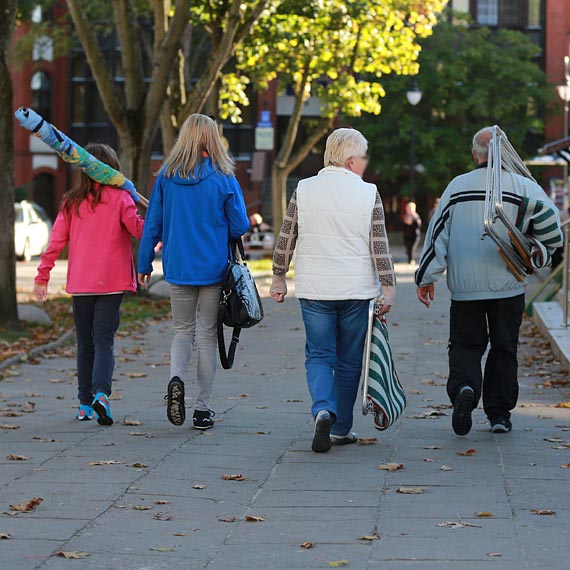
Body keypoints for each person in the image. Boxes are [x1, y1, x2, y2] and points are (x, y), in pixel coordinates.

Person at [416, 126, 563, 436]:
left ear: (475, 154)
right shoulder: (524, 186)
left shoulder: (457, 187)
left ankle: (465, 388)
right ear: (505, 153)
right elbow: (553, 229)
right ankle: (499, 414)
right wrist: (539, 255)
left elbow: (437, 235)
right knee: (504, 347)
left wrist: (427, 277)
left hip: (466, 287)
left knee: (465, 345)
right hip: (508, 283)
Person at [270, 128, 396, 453]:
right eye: (364, 157)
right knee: (350, 359)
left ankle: (323, 408)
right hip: (356, 289)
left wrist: (278, 276)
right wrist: (388, 287)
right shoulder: (369, 193)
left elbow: (287, 235)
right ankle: (340, 428)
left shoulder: (304, 188)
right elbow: (379, 245)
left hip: (315, 287)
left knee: (319, 354)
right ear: (352, 159)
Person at [137, 114, 250, 430]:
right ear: (212, 139)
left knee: (182, 330)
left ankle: (175, 378)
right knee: (206, 335)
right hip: (213, 268)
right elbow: (240, 225)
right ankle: (202, 409)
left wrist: (143, 264)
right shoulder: (223, 176)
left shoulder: (166, 177)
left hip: (178, 266)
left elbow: (153, 225)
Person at [33, 144, 145, 426]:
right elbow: (139, 230)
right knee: (103, 341)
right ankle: (101, 395)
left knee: (85, 345)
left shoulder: (71, 202)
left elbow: (56, 241)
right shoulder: (121, 198)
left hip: (81, 284)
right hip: (111, 282)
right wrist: (153, 214)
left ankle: (84, 403)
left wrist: (42, 275)